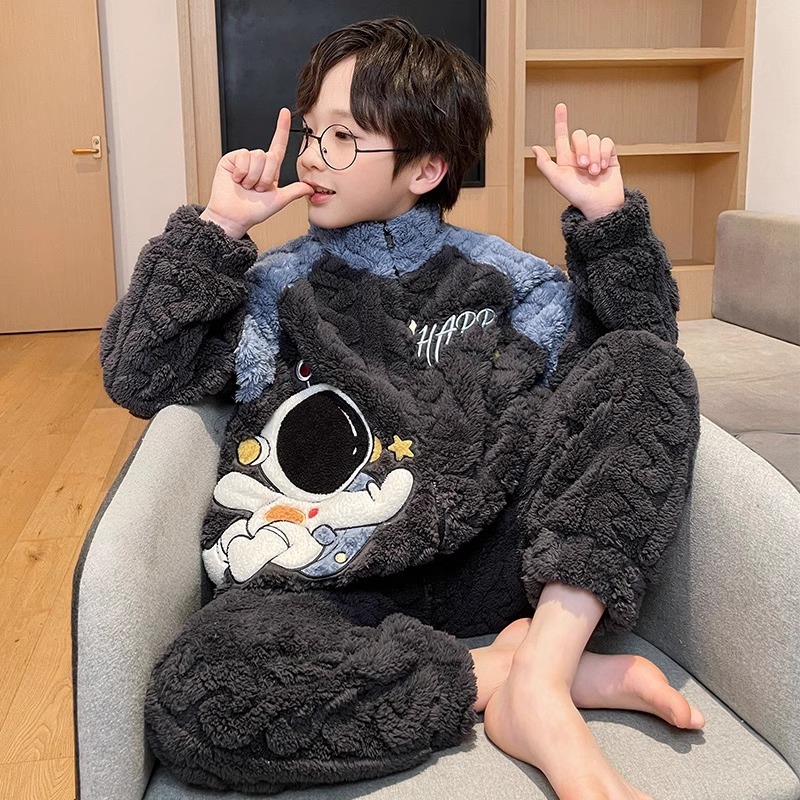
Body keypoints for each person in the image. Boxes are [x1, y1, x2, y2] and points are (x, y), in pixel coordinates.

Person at [100, 17, 703, 800]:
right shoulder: (274, 291)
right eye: (311, 132)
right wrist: (217, 230)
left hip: (495, 562)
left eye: (343, 138)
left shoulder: (509, 280)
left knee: (646, 365)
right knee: (201, 698)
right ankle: (513, 676)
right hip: (332, 586)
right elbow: (138, 377)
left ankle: (546, 665)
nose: (311, 156)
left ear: (427, 168)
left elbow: (637, 371)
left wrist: (607, 222)